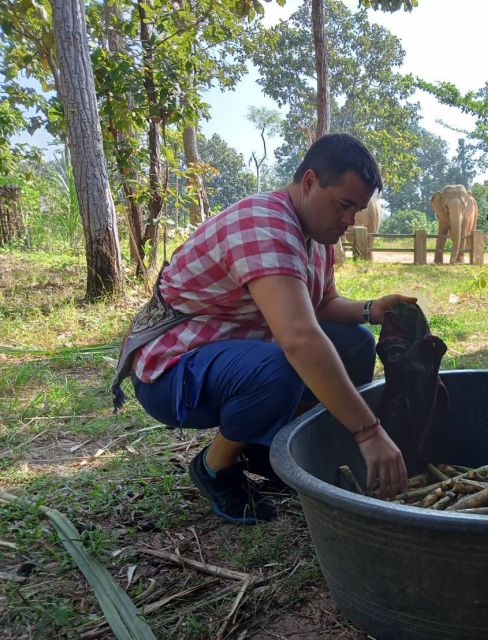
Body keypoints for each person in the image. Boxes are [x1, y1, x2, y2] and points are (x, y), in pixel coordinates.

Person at [111, 134, 413, 524]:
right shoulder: (264, 224)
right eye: (343, 205)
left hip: (232, 352)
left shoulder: (317, 236)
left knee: (354, 342)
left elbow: (322, 304)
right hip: (171, 369)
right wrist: (368, 433)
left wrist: (372, 310)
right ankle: (214, 467)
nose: (349, 221)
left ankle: (266, 446)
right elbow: (299, 338)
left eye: (357, 210)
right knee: (285, 365)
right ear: (308, 182)